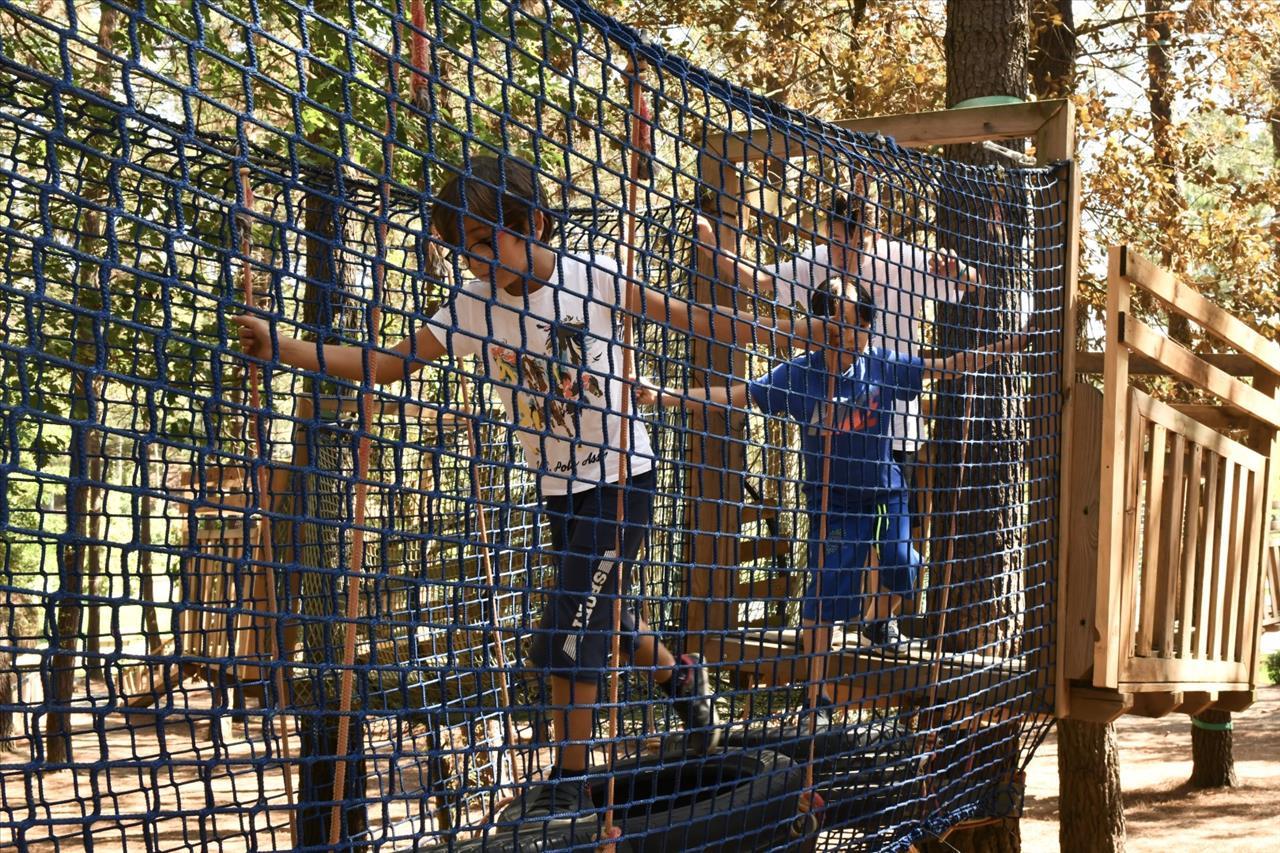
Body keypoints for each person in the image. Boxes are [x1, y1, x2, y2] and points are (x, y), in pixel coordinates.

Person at [234, 155, 759, 821]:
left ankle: (570, 779)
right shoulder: (473, 306)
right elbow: (387, 363)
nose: (473, 262)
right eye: (462, 250)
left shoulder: (592, 278)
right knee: (604, 614)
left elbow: (695, 318)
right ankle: (683, 678)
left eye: (482, 245)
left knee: (567, 630)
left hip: (623, 477)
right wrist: (285, 346)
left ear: (532, 224)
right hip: (559, 488)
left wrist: (791, 331)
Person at [638, 275, 1029, 719]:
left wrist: (1003, 348)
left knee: (904, 565)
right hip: (832, 503)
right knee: (824, 594)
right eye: (830, 325)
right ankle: (816, 696)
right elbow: (736, 395)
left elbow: (946, 366)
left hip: (885, 493)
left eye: (850, 325)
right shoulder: (799, 375)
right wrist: (667, 396)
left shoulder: (881, 366)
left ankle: (879, 620)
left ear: (867, 329)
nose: (841, 335)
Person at [694, 189, 984, 641]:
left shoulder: (903, 260)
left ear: (872, 236)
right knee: (845, 537)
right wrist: (714, 247)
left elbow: (968, 283)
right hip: (835, 424)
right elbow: (758, 280)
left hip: (891, 417)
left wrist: (957, 268)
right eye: (835, 243)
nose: (843, 255)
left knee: (894, 546)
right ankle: (833, 626)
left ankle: (879, 619)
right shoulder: (816, 263)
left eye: (853, 245)